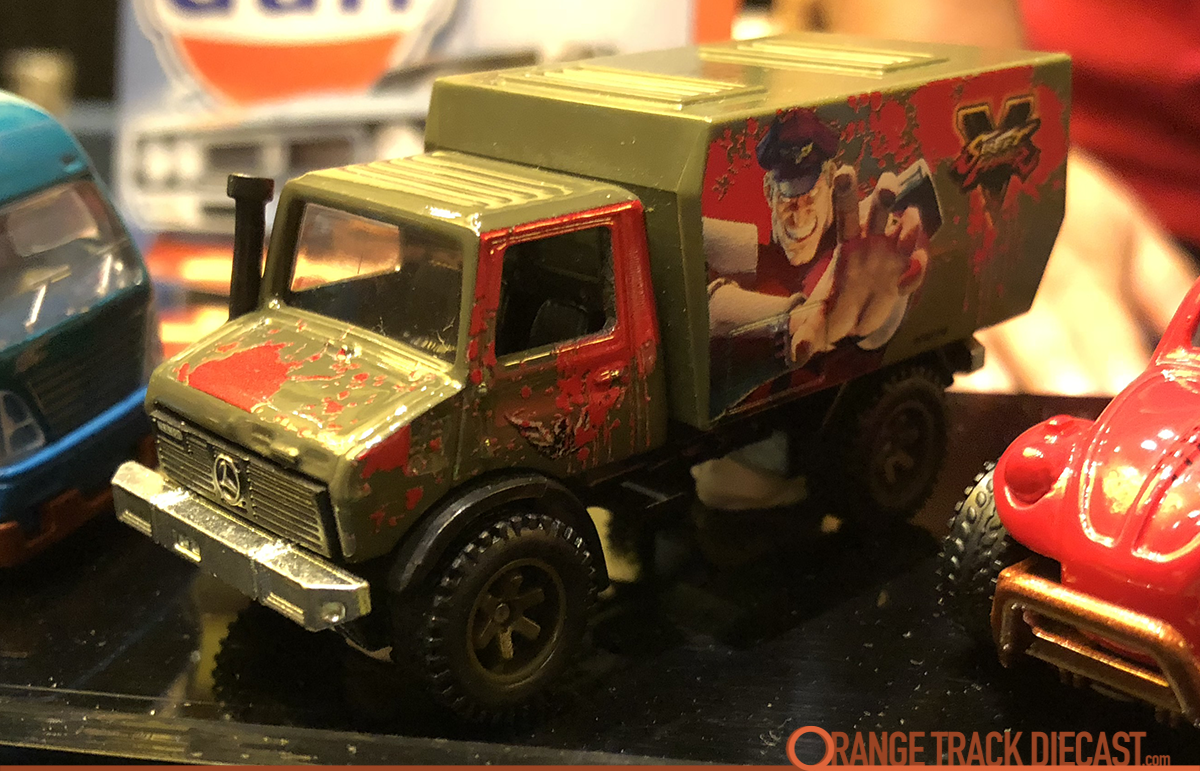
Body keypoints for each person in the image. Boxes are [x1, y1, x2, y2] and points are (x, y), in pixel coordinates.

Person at [705, 108, 934, 416]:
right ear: (769, 192)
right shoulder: (748, 254)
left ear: (829, 182)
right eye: (788, 197)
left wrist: (879, 308)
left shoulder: (854, 248)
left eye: (810, 195)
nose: (799, 214)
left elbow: (884, 276)